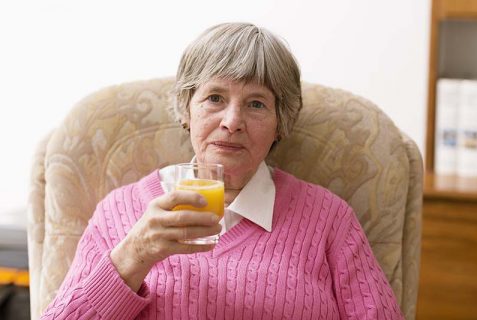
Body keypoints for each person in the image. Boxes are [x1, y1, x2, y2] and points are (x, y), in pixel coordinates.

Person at [40, 22, 404, 320]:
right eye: (215, 98)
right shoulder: (121, 212)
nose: (232, 122)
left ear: (281, 123)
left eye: (256, 104)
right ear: (186, 108)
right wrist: (134, 254)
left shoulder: (329, 219)